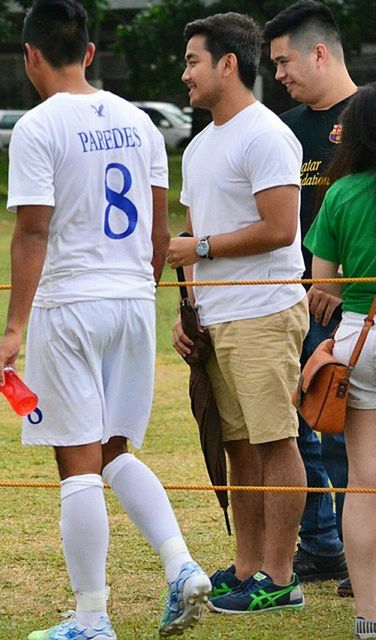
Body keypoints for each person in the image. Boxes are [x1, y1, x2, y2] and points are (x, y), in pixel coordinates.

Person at [0, 2, 211, 638]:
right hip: (134, 299)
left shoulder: (37, 126)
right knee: (113, 452)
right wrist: (143, 292)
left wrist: (12, 331)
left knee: (77, 462)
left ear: (30, 56)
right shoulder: (142, 122)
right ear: (88, 53)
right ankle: (181, 565)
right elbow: (163, 228)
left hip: (72, 303)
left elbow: (32, 230)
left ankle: (92, 618)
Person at [167, 12, 309, 614]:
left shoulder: (266, 135)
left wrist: (196, 249)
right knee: (238, 447)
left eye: (193, 61)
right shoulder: (201, 145)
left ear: (229, 63)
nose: (184, 75)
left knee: (276, 441)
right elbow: (199, 232)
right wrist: (189, 311)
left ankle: (280, 575)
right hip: (219, 317)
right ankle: (247, 567)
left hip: (264, 312)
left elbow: (279, 229)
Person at [264, 0, 357, 593]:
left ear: (319, 52)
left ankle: (361, 550)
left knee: (346, 431)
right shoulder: (286, 130)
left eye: (283, 61)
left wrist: (341, 278)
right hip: (290, 302)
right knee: (298, 427)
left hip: (349, 305)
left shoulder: (368, 118)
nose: (278, 75)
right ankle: (321, 545)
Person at [303, 83, 376, 640]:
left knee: (363, 484)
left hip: (359, 340)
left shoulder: (343, 192)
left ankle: (368, 619)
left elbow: (321, 284)